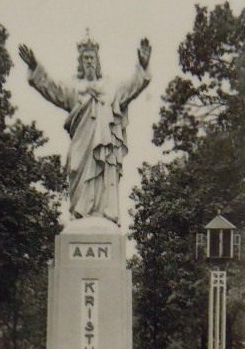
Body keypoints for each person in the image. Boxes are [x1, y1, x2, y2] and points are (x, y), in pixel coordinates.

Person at [18, 34, 151, 225]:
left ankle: (104, 215)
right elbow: (52, 89)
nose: (89, 61)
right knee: (78, 178)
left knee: (103, 174)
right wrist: (34, 67)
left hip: (103, 144)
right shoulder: (73, 87)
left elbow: (131, 88)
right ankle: (80, 214)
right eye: (85, 58)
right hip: (81, 144)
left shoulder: (110, 87)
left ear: (97, 61)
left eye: (92, 58)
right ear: (80, 62)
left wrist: (143, 67)